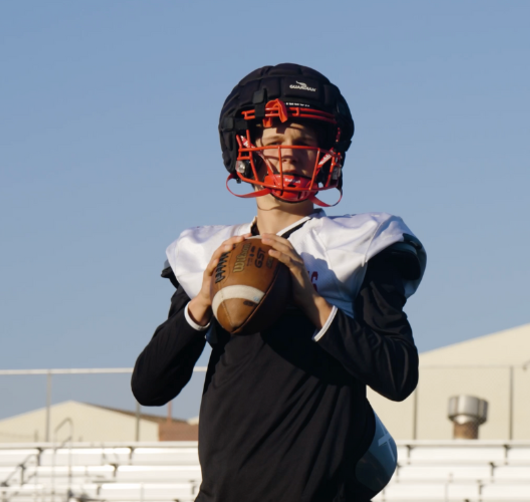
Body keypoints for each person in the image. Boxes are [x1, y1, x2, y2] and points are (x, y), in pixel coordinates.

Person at [131, 63, 425, 502]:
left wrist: (314, 302)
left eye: (304, 140)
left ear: (328, 153)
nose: (289, 152)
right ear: (246, 149)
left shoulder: (360, 243)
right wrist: (203, 301)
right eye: (275, 140)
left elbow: (398, 376)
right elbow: (149, 388)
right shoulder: (209, 253)